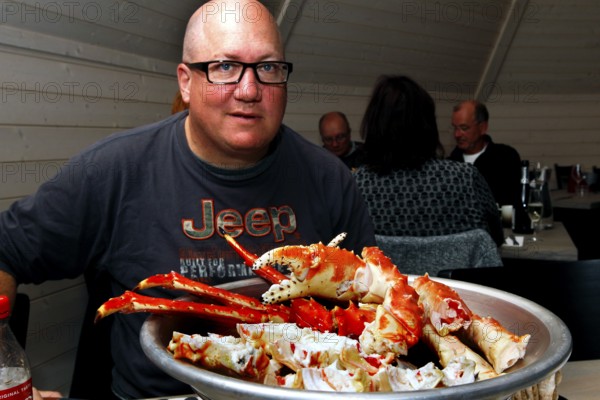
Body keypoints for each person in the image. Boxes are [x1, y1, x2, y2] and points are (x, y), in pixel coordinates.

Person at [0, 1, 375, 398]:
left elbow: (372, 306)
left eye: (267, 68)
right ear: (185, 81)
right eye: (225, 67)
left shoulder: (330, 179)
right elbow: (6, 249)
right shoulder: (114, 170)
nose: (249, 91)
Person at [353, 75, 503, 246]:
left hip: (386, 273)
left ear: (374, 126)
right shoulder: (464, 179)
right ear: (428, 125)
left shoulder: (358, 186)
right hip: (451, 273)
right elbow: (495, 239)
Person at [448, 100, 522, 207]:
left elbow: (512, 204)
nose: (457, 134)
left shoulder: (505, 158)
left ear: (482, 128)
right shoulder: (449, 165)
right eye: (455, 128)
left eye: (464, 128)